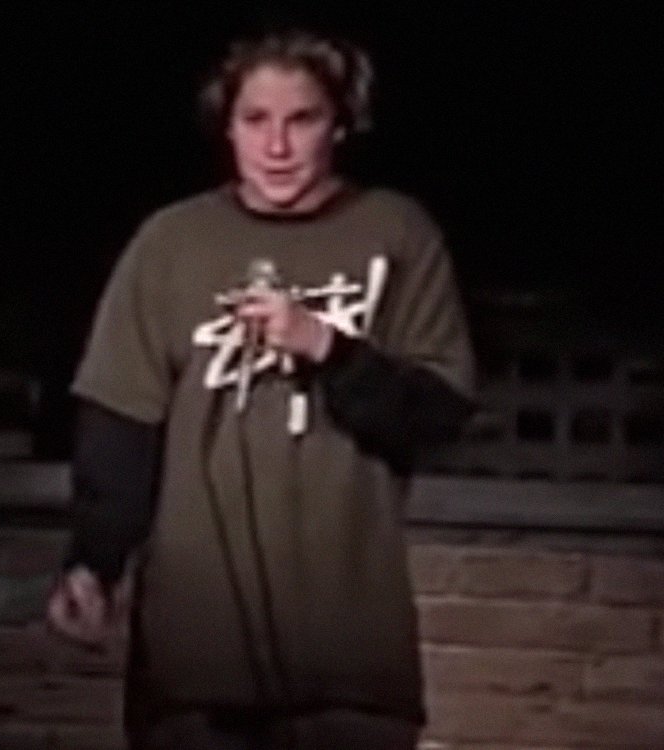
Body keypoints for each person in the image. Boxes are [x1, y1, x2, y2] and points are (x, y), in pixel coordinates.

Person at [47, 28, 476, 749]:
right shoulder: (170, 242)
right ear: (227, 126)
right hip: (195, 655)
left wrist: (328, 349)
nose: (276, 147)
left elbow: (437, 414)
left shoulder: (397, 232)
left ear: (340, 124)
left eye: (301, 120)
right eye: (255, 120)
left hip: (349, 656)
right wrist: (95, 562)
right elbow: (120, 424)